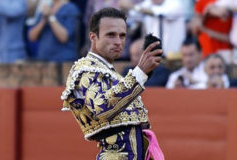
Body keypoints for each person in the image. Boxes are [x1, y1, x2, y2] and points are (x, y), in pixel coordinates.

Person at [61, 8, 164, 160]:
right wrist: (140, 72)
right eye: (111, 35)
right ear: (93, 37)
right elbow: (102, 108)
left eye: (122, 36)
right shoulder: (84, 70)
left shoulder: (111, 73)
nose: (118, 41)